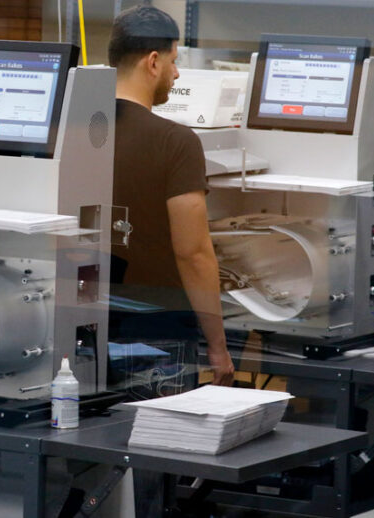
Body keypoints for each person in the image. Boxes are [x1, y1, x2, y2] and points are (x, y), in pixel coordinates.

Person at [108, 5, 234, 396]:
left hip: (78, 324)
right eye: (175, 62)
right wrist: (218, 345)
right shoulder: (175, 142)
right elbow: (193, 253)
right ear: (153, 62)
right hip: (153, 332)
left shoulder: (72, 127)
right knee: (156, 449)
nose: (176, 73)